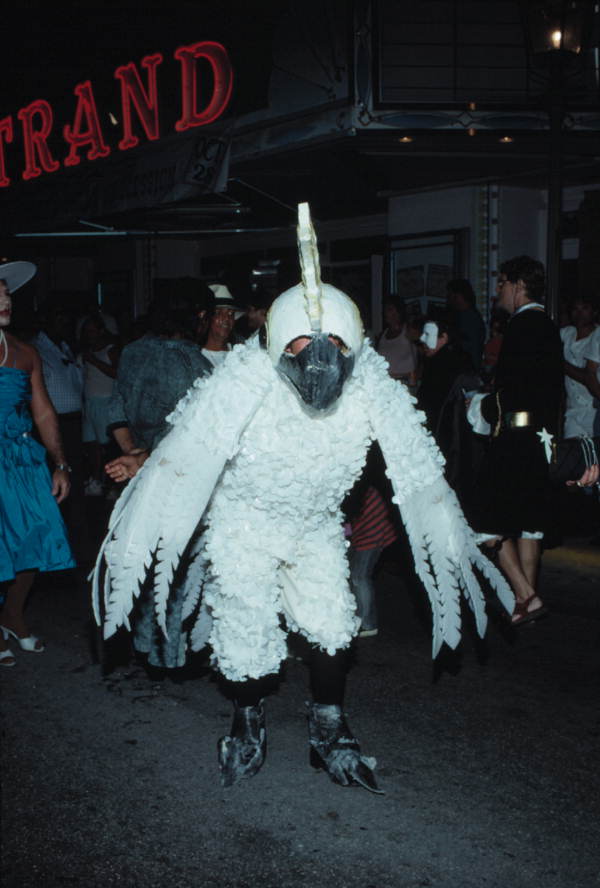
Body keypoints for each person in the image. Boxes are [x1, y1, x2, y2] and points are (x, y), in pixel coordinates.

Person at [92, 204, 514, 794]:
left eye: (334, 348)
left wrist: (450, 534)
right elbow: (185, 454)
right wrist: (145, 464)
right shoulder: (243, 380)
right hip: (245, 522)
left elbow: (420, 475)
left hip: (316, 525)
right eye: (300, 349)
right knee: (244, 632)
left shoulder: (371, 384)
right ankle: (246, 719)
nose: (318, 365)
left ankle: (329, 726)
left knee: (332, 625)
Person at [103, 280, 215, 668]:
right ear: (200, 317)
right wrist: (146, 457)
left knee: (147, 560)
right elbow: (190, 432)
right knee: (178, 563)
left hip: (137, 473)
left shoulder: (133, 352)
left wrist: (132, 455)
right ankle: (173, 655)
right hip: (181, 476)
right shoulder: (193, 362)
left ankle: (145, 644)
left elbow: (114, 411)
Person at [468, 256, 586, 627]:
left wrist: (480, 406)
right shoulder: (549, 326)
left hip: (515, 439)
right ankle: (525, 602)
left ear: (518, 285)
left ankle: (525, 595)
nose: (497, 290)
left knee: (485, 521)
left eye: (502, 282)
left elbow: (513, 392)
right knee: (529, 520)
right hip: (541, 437)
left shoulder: (521, 326)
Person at [0, 261, 75, 666]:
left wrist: (61, 463)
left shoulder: (25, 352)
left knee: (36, 534)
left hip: (21, 459)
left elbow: (43, 410)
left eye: (7, 292)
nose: (5, 299)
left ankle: (12, 613)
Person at [31, 298, 86, 558]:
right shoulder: (36, 349)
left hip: (75, 422)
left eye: (68, 317)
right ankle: (53, 543)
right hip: (54, 424)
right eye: (59, 316)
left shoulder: (65, 347)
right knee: (53, 483)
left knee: (75, 481)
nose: (65, 321)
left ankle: (74, 540)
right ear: (45, 320)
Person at [79, 314, 119, 496]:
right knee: (92, 445)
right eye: (86, 331)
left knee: (107, 447)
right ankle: (96, 481)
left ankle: (112, 485)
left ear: (101, 331)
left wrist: (94, 361)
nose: (89, 334)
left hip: (105, 403)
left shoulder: (110, 350)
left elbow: (117, 373)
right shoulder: (86, 352)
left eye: (92, 330)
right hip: (89, 404)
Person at [560, 296, 600, 438]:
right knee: (573, 455)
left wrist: (562, 365)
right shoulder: (567, 333)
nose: (579, 313)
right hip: (573, 413)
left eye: (584, 309)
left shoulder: (597, 336)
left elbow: (588, 376)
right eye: (575, 309)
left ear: (594, 312)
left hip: (593, 411)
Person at [375, 295, 418, 387]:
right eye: (385, 309)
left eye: (389, 309)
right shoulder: (382, 335)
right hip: (385, 385)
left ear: (399, 311)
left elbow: (424, 354)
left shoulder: (409, 330)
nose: (385, 313)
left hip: (405, 385)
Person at [446, 278, 486, 372]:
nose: (447, 298)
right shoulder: (464, 315)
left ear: (458, 295)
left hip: (467, 372)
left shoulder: (470, 317)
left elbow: (470, 348)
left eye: (450, 295)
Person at [200, 284, 243, 368]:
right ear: (207, 318)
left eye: (231, 314)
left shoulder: (240, 352)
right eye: (218, 313)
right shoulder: (198, 357)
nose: (226, 318)